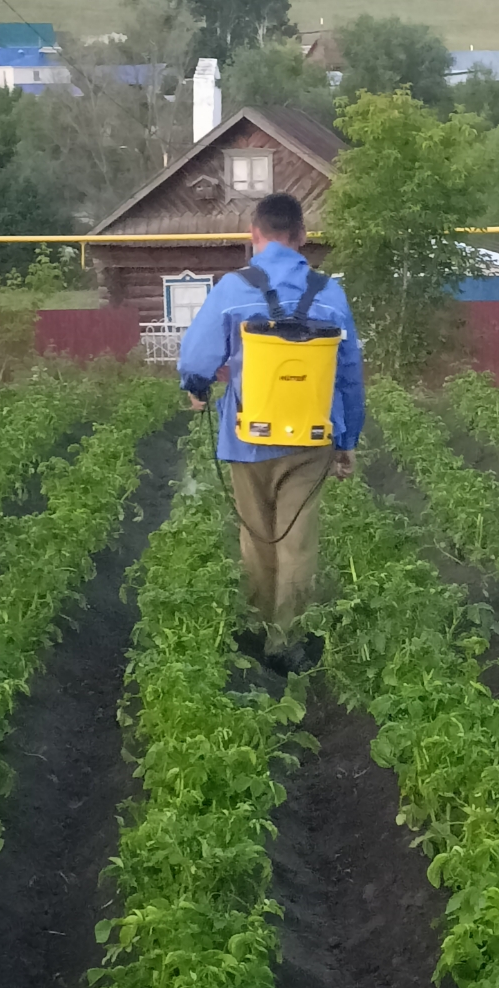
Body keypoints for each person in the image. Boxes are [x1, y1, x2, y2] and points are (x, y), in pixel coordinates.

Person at [178, 191, 365, 674]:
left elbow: (197, 356)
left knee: (257, 538)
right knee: (297, 543)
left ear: (253, 236)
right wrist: (347, 442)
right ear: (302, 237)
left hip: (248, 437)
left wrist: (196, 388)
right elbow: (348, 375)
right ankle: (288, 641)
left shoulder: (234, 288)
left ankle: (258, 635)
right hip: (311, 440)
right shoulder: (329, 292)